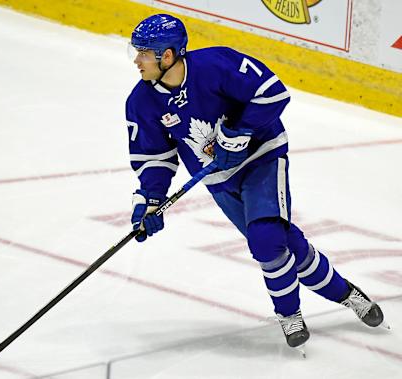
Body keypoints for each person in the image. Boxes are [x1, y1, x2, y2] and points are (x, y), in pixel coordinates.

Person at [125, 13, 385, 351]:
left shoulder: (216, 64)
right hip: (218, 179)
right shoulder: (141, 102)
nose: (136, 61)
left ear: (169, 55)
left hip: (262, 156)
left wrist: (240, 131)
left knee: (265, 239)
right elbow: (154, 157)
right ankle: (347, 294)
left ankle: (289, 315)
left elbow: (273, 93)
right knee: (283, 242)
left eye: (144, 53)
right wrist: (151, 198)